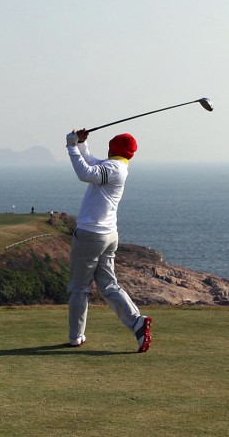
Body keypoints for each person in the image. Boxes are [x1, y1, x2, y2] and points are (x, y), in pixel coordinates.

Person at [65, 128, 151, 352]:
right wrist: (82, 144)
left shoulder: (111, 168)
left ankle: (76, 337)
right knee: (108, 285)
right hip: (109, 235)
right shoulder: (118, 167)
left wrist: (71, 146)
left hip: (91, 235)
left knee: (79, 288)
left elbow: (85, 173)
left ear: (112, 148)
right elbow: (93, 163)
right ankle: (136, 322)